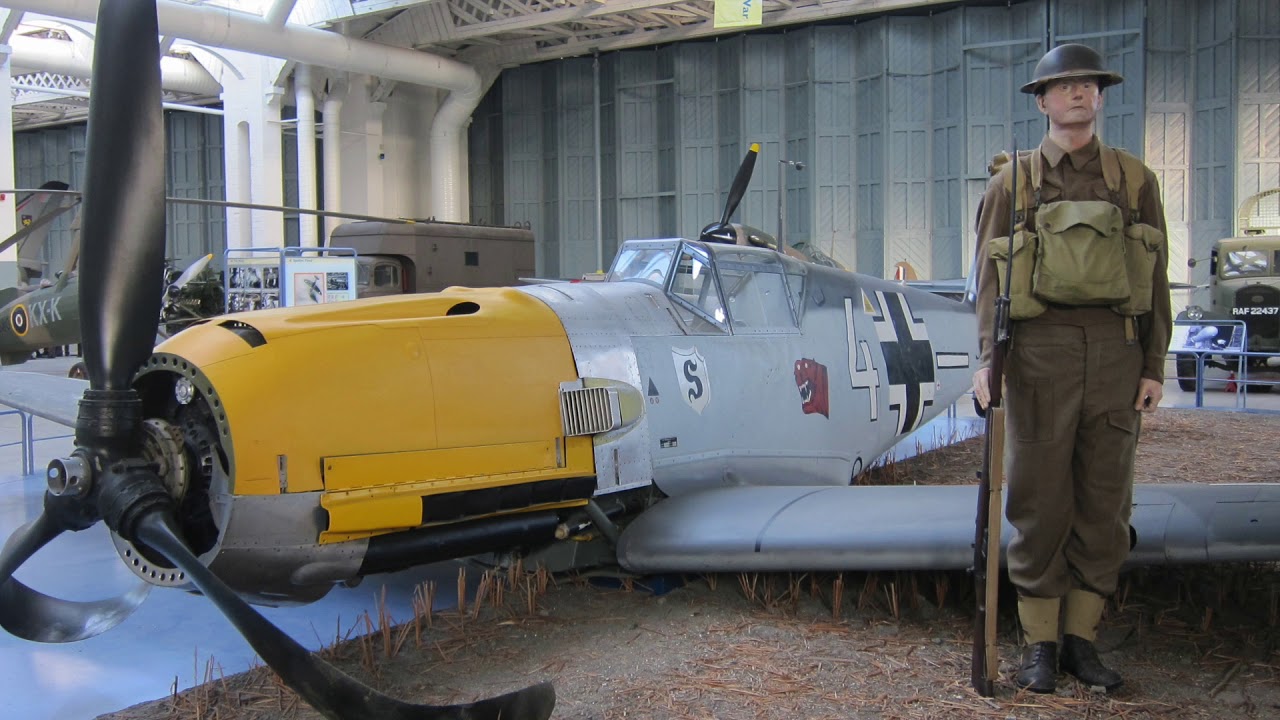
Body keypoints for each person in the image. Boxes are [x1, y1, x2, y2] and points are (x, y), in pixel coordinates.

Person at [971, 43, 1172, 694]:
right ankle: (1040, 646)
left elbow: (1159, 280)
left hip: (1115, 355)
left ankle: (1083, 641)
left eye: (1088, 85)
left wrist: (1153, 365)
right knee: (1037, 499)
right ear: (1043, 101)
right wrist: (986, 362)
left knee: (1105, 502)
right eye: (1064, 86)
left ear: (1101, 96)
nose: (1078, 94)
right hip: (1038, 355)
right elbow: (987, 280)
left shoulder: (1135, 180)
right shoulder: (1014, 182)